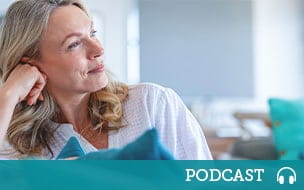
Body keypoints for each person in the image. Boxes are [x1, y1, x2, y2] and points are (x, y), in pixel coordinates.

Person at [0, 0, 212, 160]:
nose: (98, 49)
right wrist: (7, 96)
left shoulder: (152, 104)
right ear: (31, 63)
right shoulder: (16, 143)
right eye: (74, 44)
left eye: (93, 33)